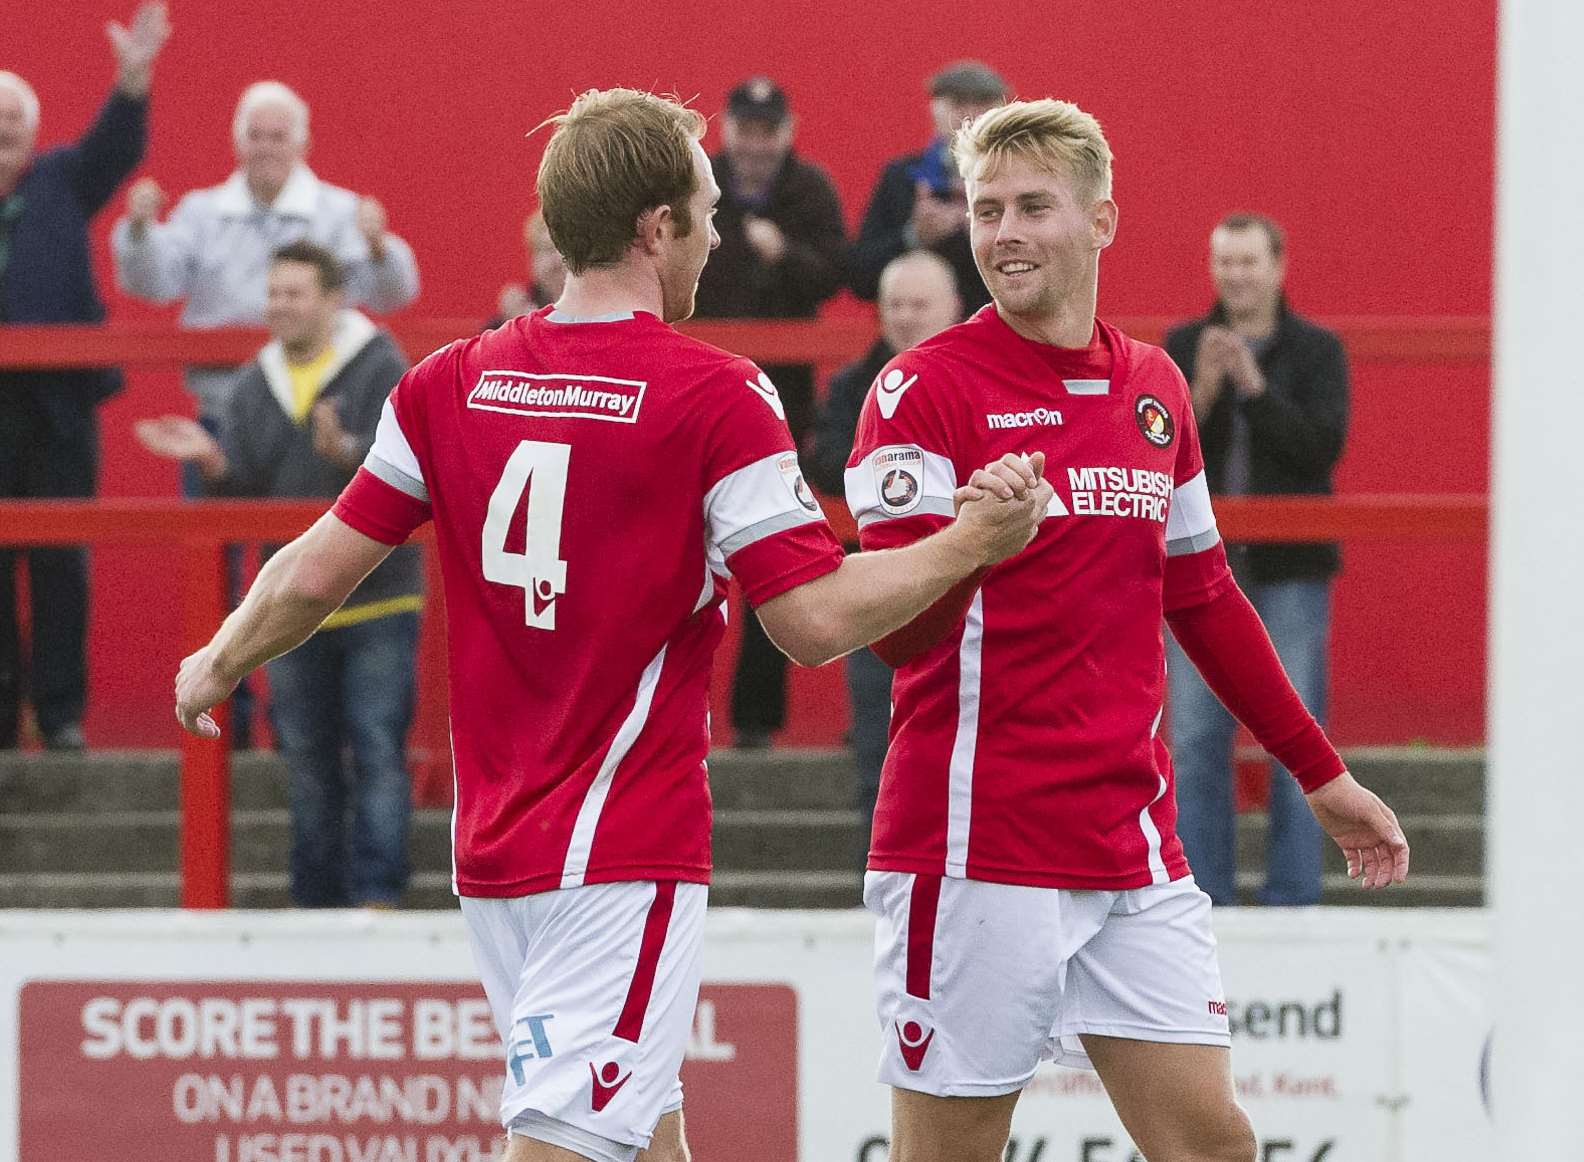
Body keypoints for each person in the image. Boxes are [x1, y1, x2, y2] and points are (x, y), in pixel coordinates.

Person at [171, 88, 1049, 1162]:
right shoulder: (716, 394)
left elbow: (314, 572)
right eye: (707, 210)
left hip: (495, 854)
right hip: (619, 849)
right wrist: (970, 542)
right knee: (564, 1146)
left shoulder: (450, 379)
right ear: (653, 227)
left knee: (639, 1136)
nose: (719, 234)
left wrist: (218, 656)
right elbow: (813, 622)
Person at [845, 99, 1408, 1162]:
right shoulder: (917, 389)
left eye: (1032, 206)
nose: (1003, 231)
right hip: (975, 849)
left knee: (1213, 1143)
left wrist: (1320, 775)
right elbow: (895, 642)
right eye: (985, 207)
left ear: (1102, 219)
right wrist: (975, 541)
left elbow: (1201, 597)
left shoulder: (1154, 386)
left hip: (1131, 845)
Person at [137, 241, 419, 908]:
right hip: (287, 611)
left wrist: (347, 451)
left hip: (377, 597)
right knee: (307, 762)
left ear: (331, 299)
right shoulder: (251, 382)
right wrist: (211, 465)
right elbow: (246, 492)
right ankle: (316, 904)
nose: (279, 306)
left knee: (378, 749)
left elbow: (407, 468)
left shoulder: (380, 365)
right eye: (273, 293)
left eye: (293, 293)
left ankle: (380, 898)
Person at [1163, 214, 1349, 908]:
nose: (1235, 276)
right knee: (1194, 732)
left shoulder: (1316, 351)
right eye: (1224, 262)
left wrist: (1255, 390)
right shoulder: (1183, 345)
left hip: (1288, 568)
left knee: (1298, 730)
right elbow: (1157, 450)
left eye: (1248, 262)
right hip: (1198, 567)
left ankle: (1294, 893)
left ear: (1278, 266)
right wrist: (1205, 388)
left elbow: (1319, 450)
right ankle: (1200, 895)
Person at [0, 1, 170, 750]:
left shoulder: (63, 179)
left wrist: (133, 80)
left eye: (13, 120)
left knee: (63, 561)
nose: (4, 130)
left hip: (59, 407)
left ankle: (60, 714)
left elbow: (115, 147)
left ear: (32, 132)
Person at [111, 79, 420, 422]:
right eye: (255, 137)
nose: (265, 148)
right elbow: (152, 284)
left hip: (319, 412)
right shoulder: (201, 212)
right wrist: (139, 232)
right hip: (222, 407)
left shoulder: (341, 212)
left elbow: (392, 296)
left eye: (278, 137)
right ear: (238, 144)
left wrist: (378, 248)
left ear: (303, 145)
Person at [692, 75, 847, 749]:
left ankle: (757, 722)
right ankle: (680, 712)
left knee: (773, 547)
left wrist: (785, 254)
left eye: (767, 131)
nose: (755, 145)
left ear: (787, 131)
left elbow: (837, 272)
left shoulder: (809, 189)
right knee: (679, 549)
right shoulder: (700, 184)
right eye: (745, 130)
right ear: (727, 129)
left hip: (782, 397)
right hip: (699, 387)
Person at [806, 249, 962, 862]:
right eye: (894, 304)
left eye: (919, 305)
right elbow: (826, 463)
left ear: (952, 309)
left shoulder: (983, 378)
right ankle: (877, 874)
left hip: (973, 590)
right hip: (876, 589)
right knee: (878, 738)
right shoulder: (852, 384)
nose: (904, 317)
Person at [849, 60, 1006, 314]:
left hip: (995, 329)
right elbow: (860, 277)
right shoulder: (902, 178)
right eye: (958, 103)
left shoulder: (1017, 180)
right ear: (935, 109)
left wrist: (985, 232)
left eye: (982, 104)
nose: (970, 115)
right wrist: (914, 236)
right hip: (917, 335)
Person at [493, 208, 567, 325]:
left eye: (564, 251)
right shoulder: (511, 316)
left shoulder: (599, 312)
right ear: (533, 261)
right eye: (547, 250)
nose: (556, 261)